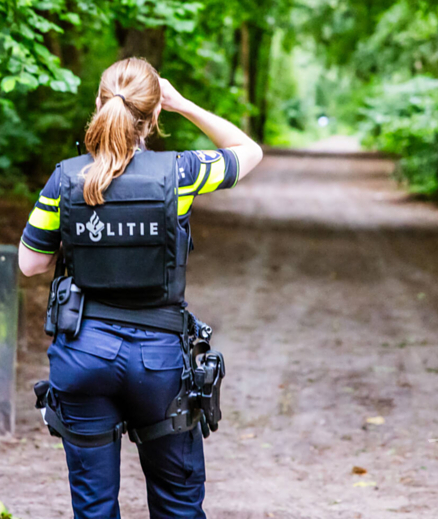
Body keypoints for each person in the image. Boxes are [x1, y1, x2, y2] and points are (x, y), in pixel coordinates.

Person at [18, 57, 263, 519]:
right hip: (160, 365)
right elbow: (247, 151)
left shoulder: (65, 179)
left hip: (83, 355)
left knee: (93, 509)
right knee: (177, 506)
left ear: (98, 105)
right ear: (153, 116)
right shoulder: (182, 173)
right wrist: (184, 104)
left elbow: (30, 264)